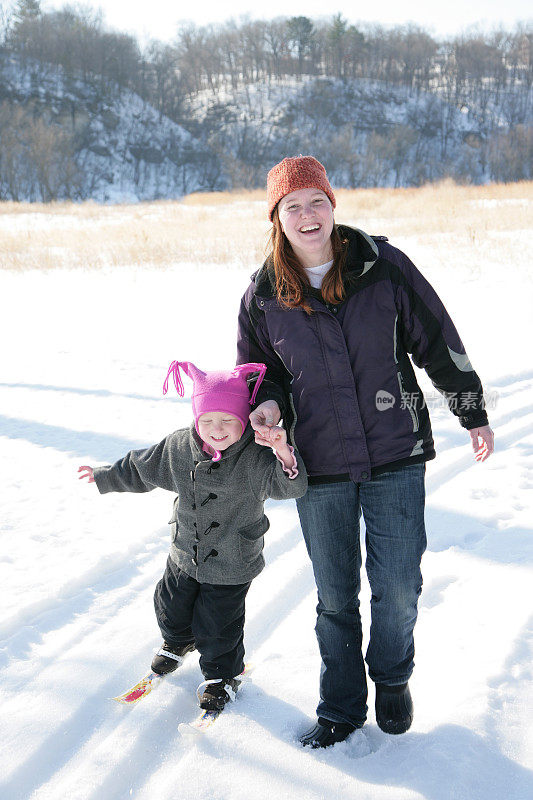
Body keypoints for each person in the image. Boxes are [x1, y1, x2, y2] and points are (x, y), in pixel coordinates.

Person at [236, 155, 494, 747]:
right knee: (334, 595)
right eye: (292, 206)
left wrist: (470, 410)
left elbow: (436, 336)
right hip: (317, 462)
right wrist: (267, 407)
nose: (307, 215)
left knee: (398, 585)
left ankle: (393, 677)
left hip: (394, 453)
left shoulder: (383, 267)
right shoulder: (262, 294)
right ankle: (341, 707)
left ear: (333, 206)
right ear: (276, 218)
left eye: (316, 201)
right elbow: (258, 373)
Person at [78, 360, 307, 712]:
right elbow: (143, 467)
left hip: (233, 559)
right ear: (196, 418)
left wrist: (282, 451)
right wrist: (105, 476)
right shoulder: (180, 447)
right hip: (185, 552)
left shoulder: (254, 457)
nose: (217, 429)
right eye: (208, 420)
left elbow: (289, 486)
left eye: (228, 420)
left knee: (218, 625)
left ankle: (222, 677)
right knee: (170, 604)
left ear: (244, 418)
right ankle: (177, 641)